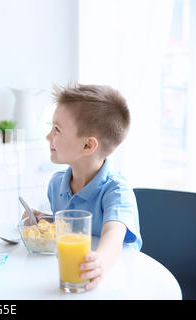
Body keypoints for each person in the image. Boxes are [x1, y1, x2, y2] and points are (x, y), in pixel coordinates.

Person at [28, 83, 142, 291]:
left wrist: (99, 262)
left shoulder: (117, 192)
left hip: (115, 286)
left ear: (88, 146)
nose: (48, 136)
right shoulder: (57, 184)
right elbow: (75, 227)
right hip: (74, 282)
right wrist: (47, 221)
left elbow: (113, 235)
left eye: (57, 130)